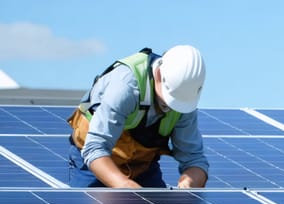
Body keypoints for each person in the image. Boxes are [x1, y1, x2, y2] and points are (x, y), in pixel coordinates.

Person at [67, 45, 209, 188]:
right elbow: (95, 148)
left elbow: (194, 159)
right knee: (92, 203)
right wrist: (124, 184)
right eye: (169, 100)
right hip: (94, 163)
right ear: (159, 75)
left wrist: (189, 182)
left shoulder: (185, 102)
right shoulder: (125, 88)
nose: (171, 108)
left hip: (141, 166)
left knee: (156, 203)